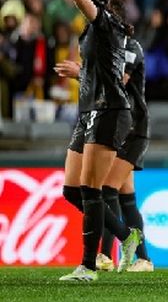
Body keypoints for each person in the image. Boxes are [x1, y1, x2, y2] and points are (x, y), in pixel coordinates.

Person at [59, 0, 141, 282]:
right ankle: (127, 236)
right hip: (89, 111)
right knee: (71, 190)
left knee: (91, 190)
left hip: (110, 110)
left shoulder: (106, 22)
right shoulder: (95, 29)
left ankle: (88, 267)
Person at [55, 16, 154, 273]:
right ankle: (132, 251)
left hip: (128, 124)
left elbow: (117, 81)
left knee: (106, 188)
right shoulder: (100, 45)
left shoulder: (127, 46)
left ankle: (108, 255)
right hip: (101, 117)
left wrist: (82, 72)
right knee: (119, 193)